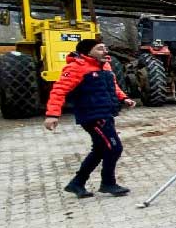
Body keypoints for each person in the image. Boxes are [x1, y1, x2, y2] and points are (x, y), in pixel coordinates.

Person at [43, 38, 136, 198]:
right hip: (92, 116)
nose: (105, 51)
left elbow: (112, 86)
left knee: (100, 150)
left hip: (106, 113)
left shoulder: (105, 66)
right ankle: (108, 183)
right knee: (114, 148)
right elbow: (59, 90)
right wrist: (52, 114)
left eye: (105, 48)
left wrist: (123, 98)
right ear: (87, 52)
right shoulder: (75, 68)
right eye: (100, 49)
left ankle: (77, 183)